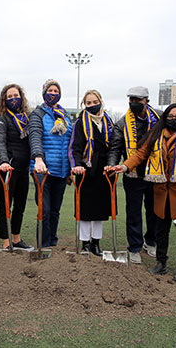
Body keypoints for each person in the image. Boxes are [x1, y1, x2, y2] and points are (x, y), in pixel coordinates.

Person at [110, 103, 176, 281]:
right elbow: (141, 154)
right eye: (170, 116)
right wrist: (125, 166)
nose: (173, 119)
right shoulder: (156, 134)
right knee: (161, 231)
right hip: (162, 192)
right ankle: (161, 263)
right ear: (165, 118)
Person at [106, 86, 161, 264]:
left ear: (147, 101)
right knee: (134, 212)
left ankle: (151, 242)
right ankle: (135, 247)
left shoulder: (160, 118)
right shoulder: (122, 123)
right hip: (132, 174)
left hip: (155, 174)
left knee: (154, 211)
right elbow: (115, 148)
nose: (134, 103)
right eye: (131, 99)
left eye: (138, 100)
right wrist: (113, 165)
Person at [68, 90, 114, 256]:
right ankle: (85, 243)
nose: (92, 105)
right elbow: (75, 147)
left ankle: (96, 243)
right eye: (88, 103)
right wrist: (76, 165)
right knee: (85, 210)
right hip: (86, 169)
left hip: (104, 171)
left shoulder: (109, 122)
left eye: (95, 101)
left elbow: (113, 146)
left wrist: (112, 164)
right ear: (84, 105)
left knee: (100, 210)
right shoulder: (80, 123)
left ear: (101, 101)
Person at [29, 79, 73, 247]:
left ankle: (53, 243)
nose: (53, 94)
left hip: (61, 170)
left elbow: (70, 142)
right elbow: (35, 136)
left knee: (55, 211)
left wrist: (69, 169)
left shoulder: (65, 116)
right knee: (45, 210)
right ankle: (43, 245)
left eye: (56, 91)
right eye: (50, 90)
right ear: (44, 93)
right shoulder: (38, 114)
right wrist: (38, 158)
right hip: (43, 170)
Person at [0, 84, 33, 250]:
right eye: (9, 97)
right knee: (6, 206)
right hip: (7, 168)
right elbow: (0, 141)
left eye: (15, 95)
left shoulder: (27, 117)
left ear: (21, 97)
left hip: (24, 168)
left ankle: (16, 239)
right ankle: (5, 241)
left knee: (20, 205)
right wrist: (3, 160)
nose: (13, 99)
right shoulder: (1, 118)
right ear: (4, 100)